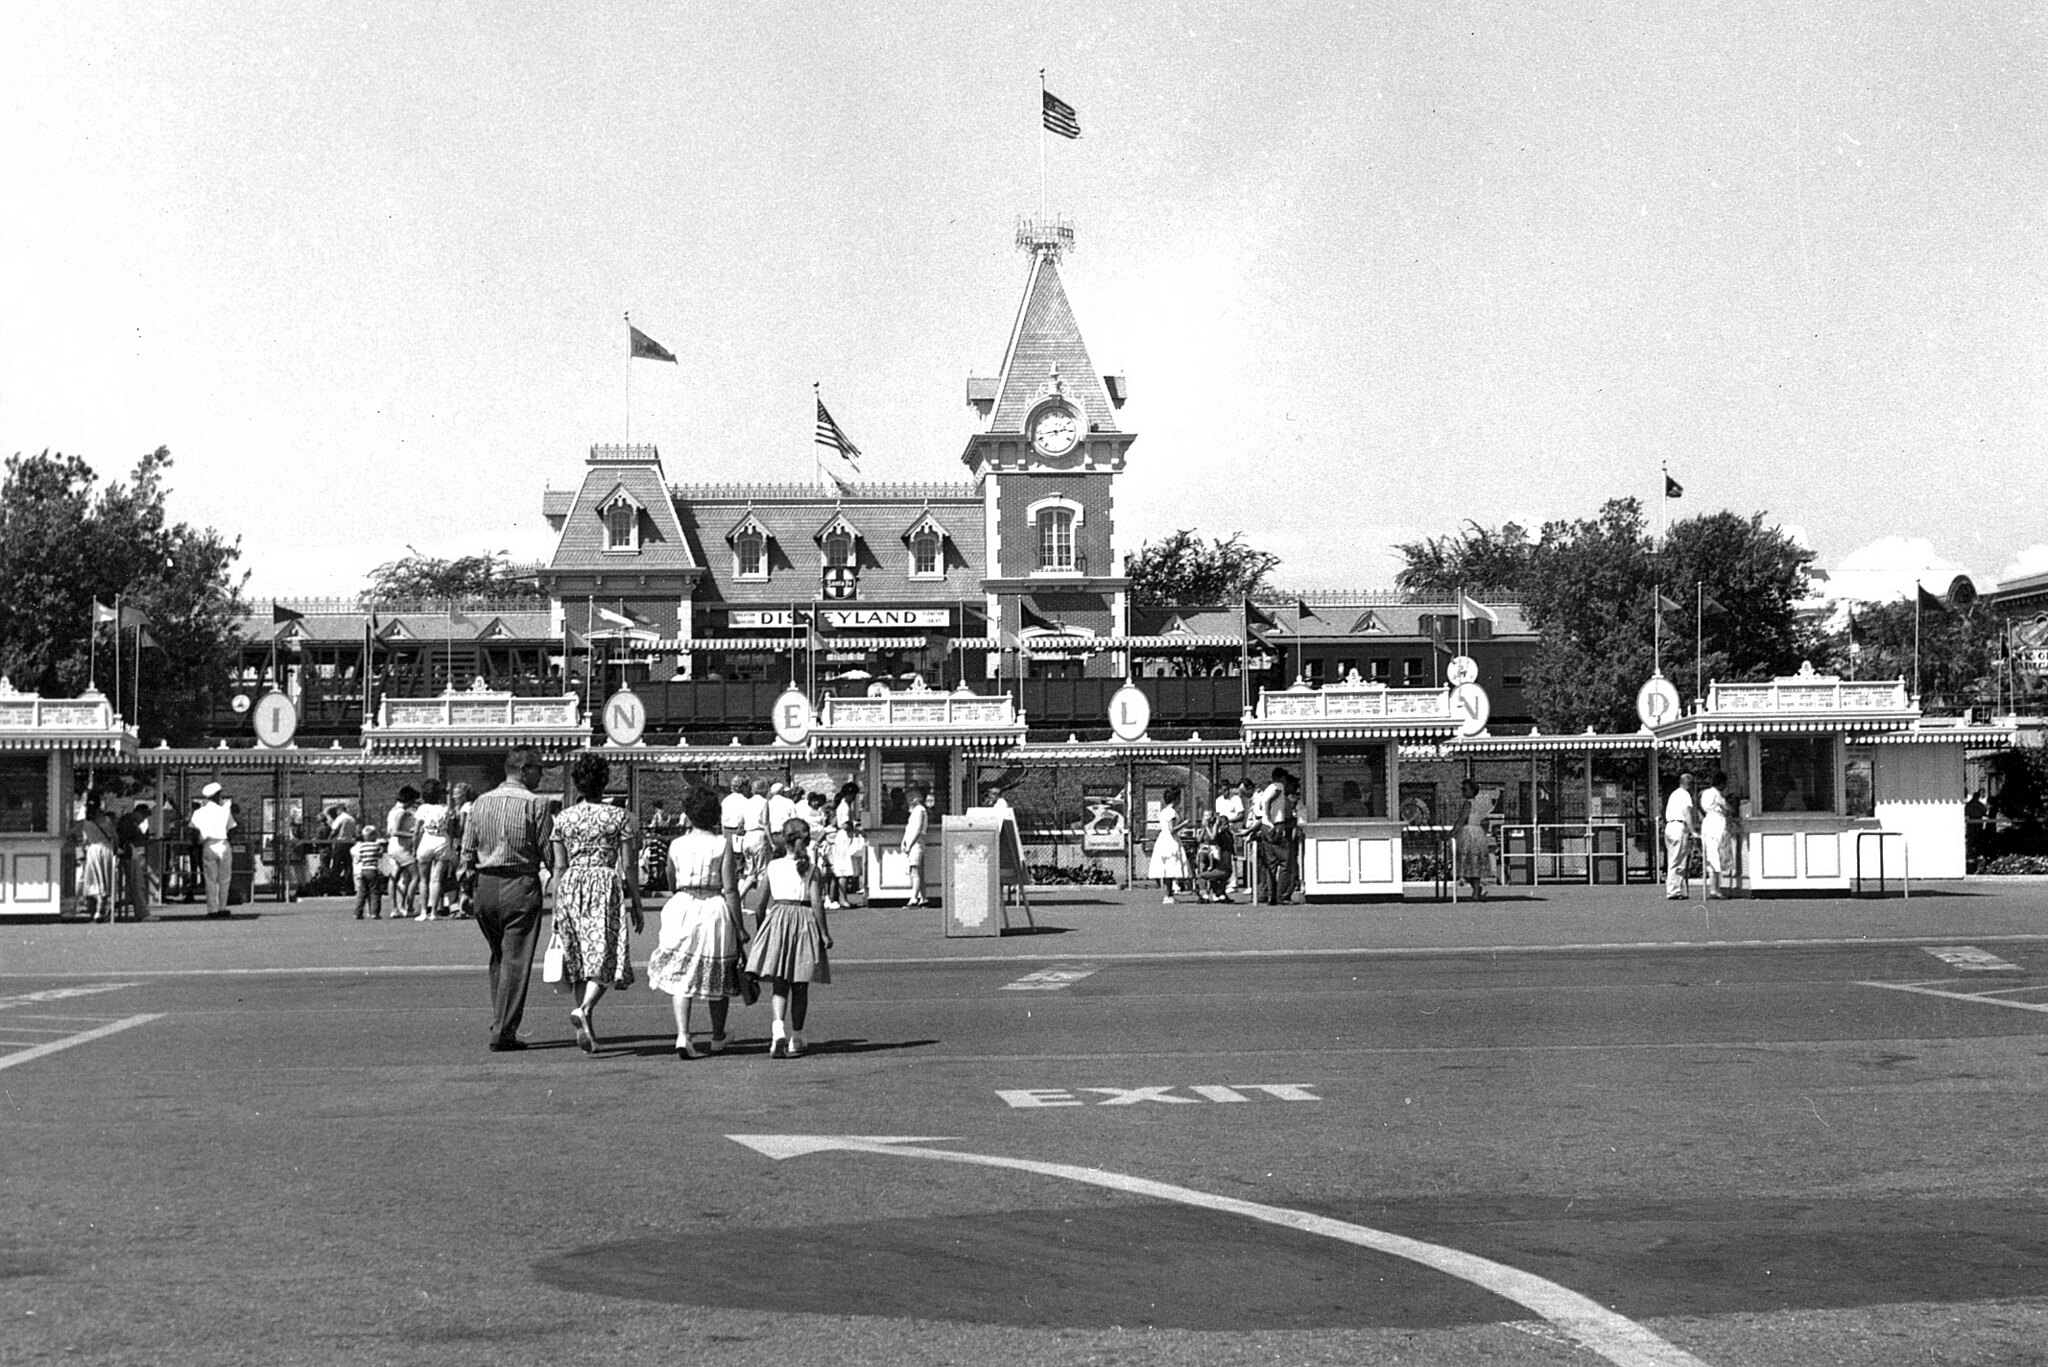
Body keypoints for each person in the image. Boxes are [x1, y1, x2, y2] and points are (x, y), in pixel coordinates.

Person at [459, 748, 558, 1052]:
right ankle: (503, 1031)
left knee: (499, 956)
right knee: (516, 959)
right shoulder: (536, 804)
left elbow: (467, 850)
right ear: (525, 769)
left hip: (485, 885)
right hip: (520, 884)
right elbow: (548, 851)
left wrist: (465, 889)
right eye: (539, 768)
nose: (542, 774)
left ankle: (499, 1019)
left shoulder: (479, 802)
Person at [548, 752, 643, 1055]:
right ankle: (585, 1009)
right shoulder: (618, 817)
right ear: (604, 782)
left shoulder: (563, 818)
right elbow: (628, 864)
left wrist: (556, 906)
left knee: (579, 958)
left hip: (571, 885)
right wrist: (636, 901)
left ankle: (586, 1024)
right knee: (605, 954)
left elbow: (558, 867)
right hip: (604, 884)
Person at [646, 784, 748, 1058]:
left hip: (682, 905)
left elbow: (670, 880)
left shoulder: (677, 844)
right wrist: (740, 927)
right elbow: (730, 889)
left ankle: (683, 1034)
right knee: (719, 971)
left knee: (682, 972)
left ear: (689, 814)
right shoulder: (721, 844)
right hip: (713, 906)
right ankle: (717, 1035)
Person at [745, 817, 834, 1058]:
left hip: (778, 919)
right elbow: (816, 903)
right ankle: (796, 1036)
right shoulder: (811, 869)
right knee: (800, 984)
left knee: (780, 982)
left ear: (783, 840)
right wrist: (824, 932)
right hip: (804, 921)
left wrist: (763, 929)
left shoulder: (773, 867)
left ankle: (777, 1030)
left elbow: (760, 905)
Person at [189, 782, 237, 918]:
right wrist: (229, 840)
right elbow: (232, 829)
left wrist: (196, 844)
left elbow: (193, 831)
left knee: (210, 878)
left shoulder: (198, 813)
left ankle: (212, 909)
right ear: (217, 795)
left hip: (208, 845)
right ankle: (222, 907)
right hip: (223, 843)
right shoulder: (224, 811)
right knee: (224, 878)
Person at [412, 779, 453, 920]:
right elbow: (451, 830)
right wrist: (450, 845)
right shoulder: (446, 809)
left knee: (423, 879)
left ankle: (423, 911)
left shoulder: (422, 809)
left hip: (427, 840)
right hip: (442, 841)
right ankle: (434, 912)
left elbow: (416, 831)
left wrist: (414, 848)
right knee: (436, 880)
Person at [75, 795, 119, 923]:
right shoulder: (106, 820)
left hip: (93, 851)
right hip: (106, 849)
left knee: (94, 880)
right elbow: (115, 837)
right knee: (105, 880)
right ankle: (101, 910)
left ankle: (96, 909)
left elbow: (71, 832)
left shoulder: (84, 822)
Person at [1453, 779, 1495, 900]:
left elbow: (1461, 820)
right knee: (1474, 863)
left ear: (1472, 790)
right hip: (1478, 832)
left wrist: (1451, 833)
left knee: (1466, 863)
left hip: (1469, 833)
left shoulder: (1468, 803)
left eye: (1464, 789)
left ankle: (1476, 890)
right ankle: (1476, 890)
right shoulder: (1479, 803)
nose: (1462, 792)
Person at [1148, 786, 1189, 903]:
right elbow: (1172, 829)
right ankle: (1168, 895)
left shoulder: (1165, 811)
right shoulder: (1171, 812)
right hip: (1170, 841)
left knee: (1168, 869)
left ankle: (1169, 895)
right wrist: (1184, 824)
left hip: (1164, 839)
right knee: (1170, 867)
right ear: (1175, 798)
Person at [385, 786, 421, 918]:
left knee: (394, 877)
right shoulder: (401, 812)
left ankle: (395, 908)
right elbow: (395, 831)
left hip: (393, 847)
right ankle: (409, 907)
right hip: (401, 848)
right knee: (415, 876)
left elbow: (389, 831)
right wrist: (413, 835)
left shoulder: (392, 811)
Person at [1698, 769, 1734, 900]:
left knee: (1711, 855)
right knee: (1717, 855)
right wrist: (1733, 807)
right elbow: (1727, 806)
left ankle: (1714, 888)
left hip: (1707, 823)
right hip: (1716, 823)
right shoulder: (1716, 794)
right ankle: (1715, 889)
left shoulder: (1704, 793)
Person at [116, 800, 153, 921]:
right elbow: (138, 837)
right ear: (138, 813)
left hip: (129, 852)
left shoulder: (127, 821)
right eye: (143, 816)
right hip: (129, 853)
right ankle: (142, 913)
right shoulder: (129, 823)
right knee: (137, 884)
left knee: (136, 884)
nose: (143, 819)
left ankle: (141, 911)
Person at [1663, 774, 1697, 901]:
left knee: (1673, 859)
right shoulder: (1685, 795)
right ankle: (1674, 891)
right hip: (1678, 827)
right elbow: (1686, 813)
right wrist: (1692, 830)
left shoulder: (1674, 794)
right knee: (1678, 860)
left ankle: (1674, 888)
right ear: (1689, 784)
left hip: (1669, 826)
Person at [901, 783, 930, 907]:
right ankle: (923, 897)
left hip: (916, 844)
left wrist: (909, 844)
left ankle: (914, 898)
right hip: (914, 843)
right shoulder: (916, 811)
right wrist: (904, 841)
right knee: (918, 872)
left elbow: (917, 830)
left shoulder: (919, 811)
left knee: (915, 871)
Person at [352, 823, 387, 919]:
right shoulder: (376, 845)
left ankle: (357, 913)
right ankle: (374, 912)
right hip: (373, 870)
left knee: (362, 893)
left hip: (363, 870)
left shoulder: (362, 846)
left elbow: (359, 858)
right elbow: (380, 854)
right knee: (375, 892)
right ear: (372, 836)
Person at [326, 804, 358, 896]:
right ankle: (349, 889)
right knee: (348, 866)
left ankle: (334, 889)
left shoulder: (340, 818)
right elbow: (354, 833)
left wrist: (329, 839)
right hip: (349, 843)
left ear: (339, 810)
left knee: (336, 867)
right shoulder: (352, 819)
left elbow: (334, 830)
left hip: (340, 843)